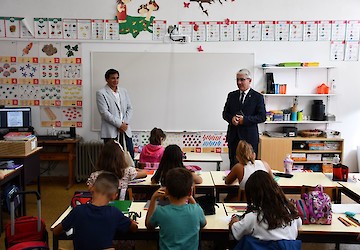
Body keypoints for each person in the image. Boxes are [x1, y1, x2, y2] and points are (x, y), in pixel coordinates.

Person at [53, 172, 138, 250]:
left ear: (92, 189)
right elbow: (134, 228)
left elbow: (56, 231)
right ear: (114, 196)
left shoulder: (78, 211)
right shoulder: (115, 213)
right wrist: (129, 221)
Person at [229, 170, 301, 242]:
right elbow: (299, 224)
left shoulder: (254, 217)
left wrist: (234, 220)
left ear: (253, 196)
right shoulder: (290, 212)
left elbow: (236, 232)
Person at [146, 168, 207, 250]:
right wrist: (190, 197)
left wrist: (153, 198)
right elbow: (203, 223)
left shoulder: (160, 211)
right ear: (190, 191)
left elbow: (149, 226)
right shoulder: (196, 209)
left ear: (166, 191)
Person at [222, 68, 266, 168]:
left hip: (249, 139)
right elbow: (225, 113)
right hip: (234, 137)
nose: (239, 82)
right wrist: (231, 119)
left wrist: (244, 120)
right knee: (233, 165)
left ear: (249, 81)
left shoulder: (257, 97)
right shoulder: (232, 95)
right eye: (237, 80)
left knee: (250, 166)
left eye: (242, 80)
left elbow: (262, 117)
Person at [96, 68, 135, 159]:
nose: (116, 80)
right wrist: (119, 124)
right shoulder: (101, 93)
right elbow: (104, 112)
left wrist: (124, 124)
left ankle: (129, 173)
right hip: (111, 132)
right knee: (112, 159)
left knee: (129, 157)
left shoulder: (123, 91)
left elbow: (130, 108)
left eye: (117, 78)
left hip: (125, 130)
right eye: (113, 78)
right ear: (107, 79)